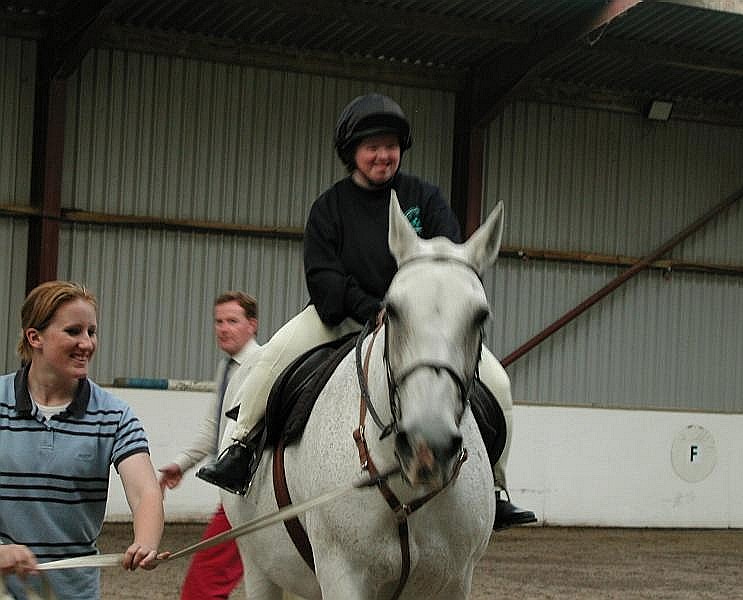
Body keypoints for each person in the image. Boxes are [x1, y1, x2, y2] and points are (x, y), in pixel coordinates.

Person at [198, 93, 537, 530]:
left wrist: (410, 313)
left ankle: (494, 484)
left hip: (414, 328)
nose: (383, 155)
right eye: (372, 146)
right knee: (270, 360)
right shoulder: (330, 208)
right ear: (352, 153)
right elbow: (324, 278)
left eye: (390, 145)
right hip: (339, 318)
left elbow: (449, 264)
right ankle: (240, 450)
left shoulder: (425, 199)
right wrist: (370, 308)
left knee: (497, 382)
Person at [0, 280, 164, 600]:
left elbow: (145, 490)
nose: (86, 343)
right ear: (35, 337)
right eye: (74, 331)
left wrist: (146, 540)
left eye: (92, 332)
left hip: (74, 593)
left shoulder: (114, 415)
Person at [158, 291, 260, 600]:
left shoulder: (260, 365)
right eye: (218, 321)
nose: (223, 328)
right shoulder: (227, 367)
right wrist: (181, 463)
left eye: (232, 321)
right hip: (234, 495)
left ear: (252, 325)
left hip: (247, 495)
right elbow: (214, 431)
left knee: (202, 586)